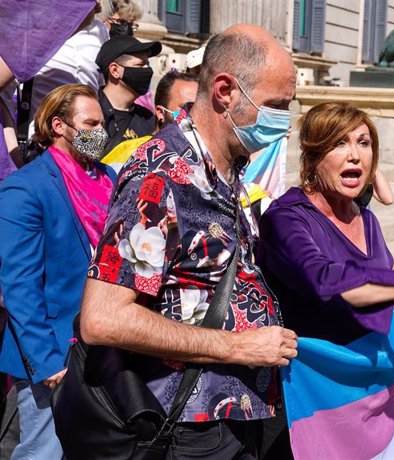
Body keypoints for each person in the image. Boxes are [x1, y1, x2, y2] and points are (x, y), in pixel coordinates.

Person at [80, 24, 299, 458]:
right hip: (187, 428)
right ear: (225, 91)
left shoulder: (221, 168)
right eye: (277, 106)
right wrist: (238, 347)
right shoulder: (160, 177)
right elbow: (104, 318)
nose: (285, 122)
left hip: (231, 417)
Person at [256, 101, 394, 457]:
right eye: (340, 144)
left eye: (364, 143)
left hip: (362, 394)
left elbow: (380, 293)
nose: (355, 156)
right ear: (313, 155)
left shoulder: (366, 219)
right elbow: (323, 278)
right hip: (304, 401)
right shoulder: (286, 218)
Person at [0, 83, 115, 460]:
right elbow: (20, 285)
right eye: (90, 123)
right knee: (44, 453)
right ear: (59, 126)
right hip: (54, 355)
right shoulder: (26, 188)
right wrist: (47, 364)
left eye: (102, 123)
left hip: (105, 348)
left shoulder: (110, 179)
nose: (100, 132)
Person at [100, 70, 198, 172]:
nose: (195, 116)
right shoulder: (127, 152)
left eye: (201, 109)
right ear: (160, 112)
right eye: (186, 108)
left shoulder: (207, 153)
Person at [95, 34, 161, 154]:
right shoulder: (90, 112)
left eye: (148, 64)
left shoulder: (147, 118)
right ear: (115, 70)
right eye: (140, 65)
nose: (147, 70)